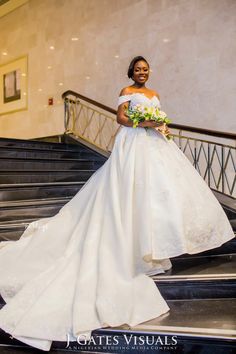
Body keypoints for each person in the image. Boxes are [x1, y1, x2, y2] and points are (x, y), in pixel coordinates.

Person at [0, 56, 234, 352]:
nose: (142, 72)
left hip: (154, 144)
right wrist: (145, 120)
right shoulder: (126, 91)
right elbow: (121, 118)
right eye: (137, 69)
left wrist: (160, 126)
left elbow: (158, 119)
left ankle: (153, 242)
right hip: (132, 144)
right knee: (130, 188)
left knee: (159, 193)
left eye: (145, 69)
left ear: (149, 72)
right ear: (131, 73)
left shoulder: (155, 94)